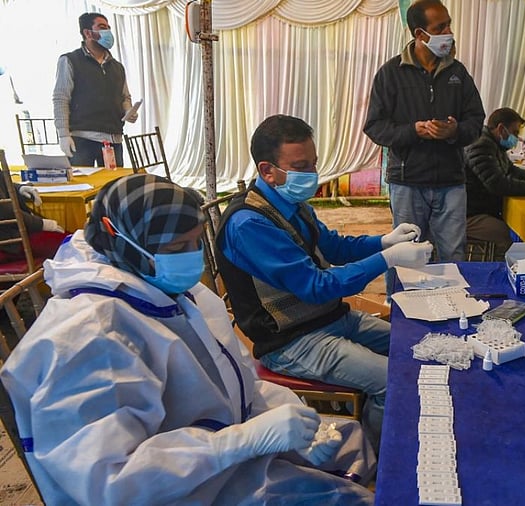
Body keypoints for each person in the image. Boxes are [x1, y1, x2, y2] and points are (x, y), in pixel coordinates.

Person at [0, 174, 376, 505]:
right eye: (179, 247)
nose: (193, 259)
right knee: (349, 497)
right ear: (123, 240)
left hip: (208, 457)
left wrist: (280, 423)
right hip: (173, 487)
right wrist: (242, 442)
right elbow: (110, 483)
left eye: (197, 243)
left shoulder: (165, 289)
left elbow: (231, 380)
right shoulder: (91, 336)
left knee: (350, 438)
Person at [216, 115, 433, 450]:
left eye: (313, 163)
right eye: (300, 166)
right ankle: (377, 461)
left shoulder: (292, 204)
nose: (311, 174)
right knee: (395, 381)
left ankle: (403, 430)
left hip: (330, 318)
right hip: (292, 341)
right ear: (267, 170)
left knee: (418, 343)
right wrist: (387, 260)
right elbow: (316, 285)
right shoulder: (249, 224)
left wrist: (384, 242)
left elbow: (333, 247)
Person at [364, 0, 485, 265]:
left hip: (451, 181)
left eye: (449, 24)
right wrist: (413, 131)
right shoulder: (390, 74)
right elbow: (374, 127)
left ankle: (454, 306)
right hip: (407, 183)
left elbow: (476, 122)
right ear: (420, 34)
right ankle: (399, 304)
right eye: (441, 27)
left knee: (453, 254)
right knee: (407, 254)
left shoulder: (458, 73)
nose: (449, 32)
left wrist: (454, 131)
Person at [53, 12, 138, 168]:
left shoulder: (117, 67)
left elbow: (125, 96)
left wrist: (128, 111)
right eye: (102, 27)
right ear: (87, 32)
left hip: (114, 138)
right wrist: (63, 134)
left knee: (115, 188)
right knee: (86, 187)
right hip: (83, 138)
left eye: (108, 27)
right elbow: (61, 98)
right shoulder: (70, 60)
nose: (108, 32)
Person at [463, 107, 525, 255]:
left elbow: (509, 168)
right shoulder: (480, 145)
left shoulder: (494, 143)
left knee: (516, 227)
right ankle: (504, 268)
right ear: (501, 128)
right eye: (515, 132)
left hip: (483, 208)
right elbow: (497, 184)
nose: (516, 138)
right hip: (469, 213)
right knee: (505, 233)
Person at [0, 183, 66, 263]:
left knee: (71, 239)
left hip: (15, 230)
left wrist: (20, 189)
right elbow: (4, 211)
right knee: (68, 245)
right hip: (9, 241)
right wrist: (41, 224)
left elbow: (3, 181)